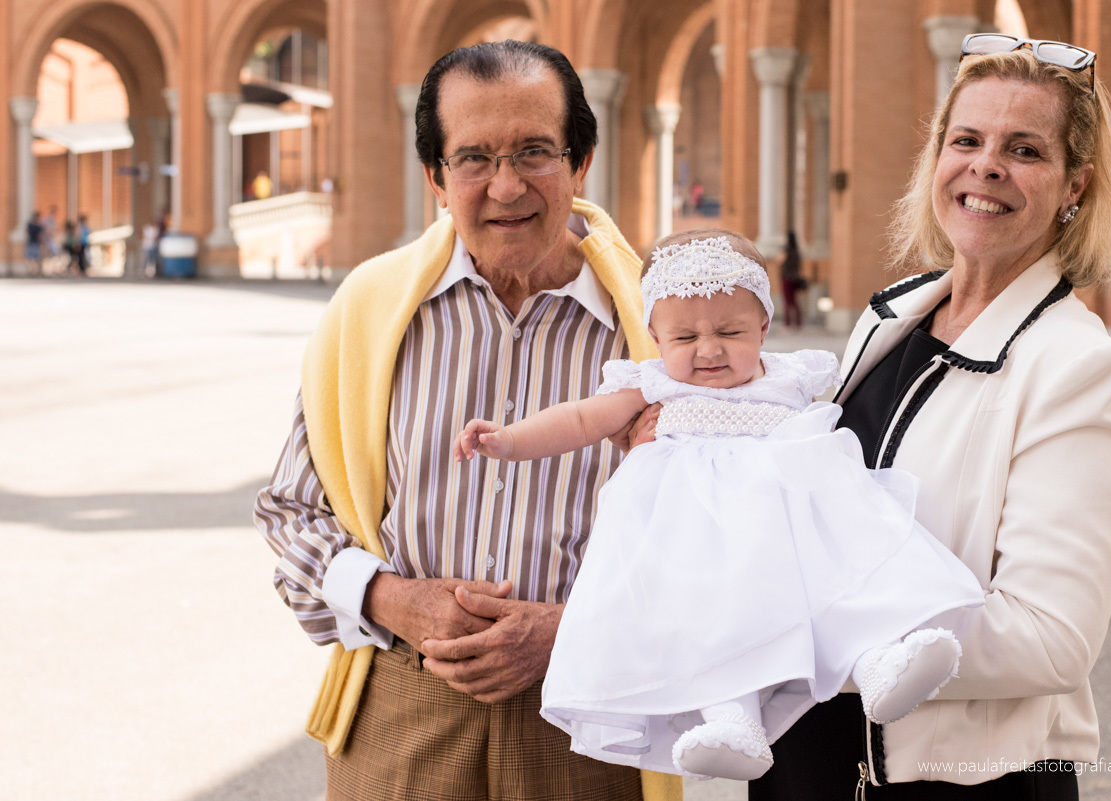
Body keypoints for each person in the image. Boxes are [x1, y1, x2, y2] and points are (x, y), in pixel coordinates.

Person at [253, 40, 678, 801]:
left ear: (581, 162)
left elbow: (718, 542)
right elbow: (291, 512)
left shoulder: (660, 328)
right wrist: (394, 600)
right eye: (473, 158)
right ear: (436, 179)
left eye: (535, 152)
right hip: (400, 717)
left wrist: (567, 628)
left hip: (587, 721)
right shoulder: (370, 311)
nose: (506, 184)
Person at [748, 35, 1111, 800]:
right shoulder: (894, 317)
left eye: (1025, 149)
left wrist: (818, 627)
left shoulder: (1079, 370)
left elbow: (1051, 638)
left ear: (1076, 185)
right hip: (811, 760)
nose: (986, 166)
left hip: (955, 781)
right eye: (966, 139)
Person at [454, 229, 984, 781]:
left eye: (730, 331)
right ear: (655, 337)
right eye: (684, 337)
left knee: (844, 569)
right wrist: (508, 440)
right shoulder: (655, 386)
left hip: (790, 521)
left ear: (763, 327)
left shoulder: (790, 376)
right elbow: (582, 420)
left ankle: (880, 663)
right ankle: (733, 721)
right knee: (710, 621)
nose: (708, 350)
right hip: (697, 537)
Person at [778, 230, 807, 328]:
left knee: (787, 302)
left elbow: (781, 261)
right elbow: (799, 266)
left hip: (787, 278)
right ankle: (798, 322)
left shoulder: (786, 250)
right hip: (795, 279)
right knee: (794, 302)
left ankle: (788, 323)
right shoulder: (797, 251)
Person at [24, 211, 44, 275]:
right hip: (33, 242)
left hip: (33, 242)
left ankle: (33, 271)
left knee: (33, 258)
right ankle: (33, 271)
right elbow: (40, 235)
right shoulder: (36, 225)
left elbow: (27, 231)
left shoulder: (32, 224)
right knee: (33, 258)